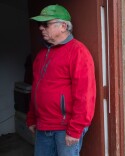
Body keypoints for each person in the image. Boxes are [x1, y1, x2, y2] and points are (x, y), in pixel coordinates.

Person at [26, 4, 96, 156]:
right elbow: (36, 88)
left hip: (65, 128)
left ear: (63, 26)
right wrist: (31, 117)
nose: (40, 28)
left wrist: (75, 129)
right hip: (42, 125)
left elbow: (86, 95)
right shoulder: (40, 56)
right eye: (39, 24)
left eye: (45, 24)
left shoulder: (78, 52)